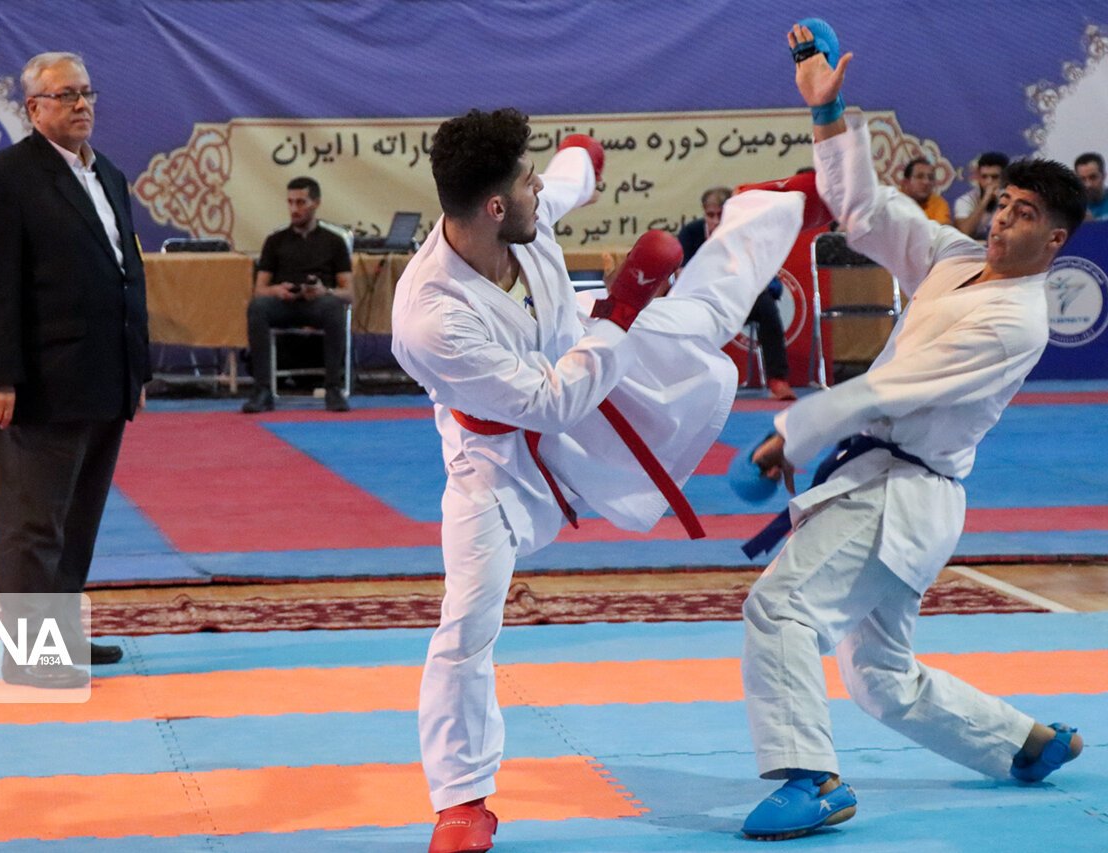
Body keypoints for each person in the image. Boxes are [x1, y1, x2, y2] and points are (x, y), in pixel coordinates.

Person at [390, 108, 806, 853]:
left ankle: (780, 205)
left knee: (704, 317)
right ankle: (462, 800)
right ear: (494, 207)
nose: (536, 187)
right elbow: (549, 405)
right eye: (524, 179)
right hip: (501, 456)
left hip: (587, 351)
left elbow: (561, 185)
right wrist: (622, 309)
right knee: (466, 621)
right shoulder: (431, 318)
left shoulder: (518, 215)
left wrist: (585, 156)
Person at [736, 20, 1088, 841]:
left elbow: (891, 387)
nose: (1002, 220)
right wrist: (828, 113)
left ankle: (812, 779)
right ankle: (1024, 742)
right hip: (893, 490)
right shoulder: (959, 260)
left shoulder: (1015, 321)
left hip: (899, 493)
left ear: (1055, 239)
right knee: (880, 675)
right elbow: (867, 211)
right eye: (1002, 204)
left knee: (779, 608)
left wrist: (791, 432)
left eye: (1024, 214)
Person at [0, 52, 150, 689]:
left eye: (86, 92)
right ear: (33, 108)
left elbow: (127, 276)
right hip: (39, 382)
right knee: (33, 524)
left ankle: (62, 636)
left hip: (104, 375)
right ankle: (29, 655)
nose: (81, 104)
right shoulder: (3, 178)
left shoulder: (109, 174)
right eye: (65, 95)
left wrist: (137, 369)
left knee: (77, 520)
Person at [242, 176, 353, 414]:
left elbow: (349, 294)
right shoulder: (275, 241)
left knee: (334, 306)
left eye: (301, 202)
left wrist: (325, 291)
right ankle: (262, 390)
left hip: (317, 304)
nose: (294, 209)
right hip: (285, 304)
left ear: (316, 203)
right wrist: (277, 290)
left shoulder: (334, 242)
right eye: (290, 202)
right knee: (257, 307)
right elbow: (259, 289)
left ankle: (333, 389)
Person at [680, 186, 797, 400]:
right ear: (704, 213)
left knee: (767, 309)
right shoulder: (691, 233)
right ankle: (689, 381)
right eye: (711, 215)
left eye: (721, 215)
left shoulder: (745, 232)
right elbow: (682, 275)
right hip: (703, 298)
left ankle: (778, 380)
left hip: (741, 296)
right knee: (685, 316)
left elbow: (760, 271)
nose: (716, 221)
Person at [953, 150, 1009, 239]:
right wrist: (985, 200)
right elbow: (964, 233)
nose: (989, 182)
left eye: (995, 177)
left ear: (1005, 178)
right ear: (978, 177)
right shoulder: (965, 200)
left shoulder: (1014, 201)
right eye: (984, 177)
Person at [899, 157, 952, 224]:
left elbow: (941, 229)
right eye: (919, 177)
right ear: (906, 182)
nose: (926, 182)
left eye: (930, 178)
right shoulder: (892, 202)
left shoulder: (938, 204)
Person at [1074, 152, 1108, 220]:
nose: (1088, 184)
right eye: (1082, 179)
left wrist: (1092, 224)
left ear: (1104, 176)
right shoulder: (1072, 207)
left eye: (1093, 177)